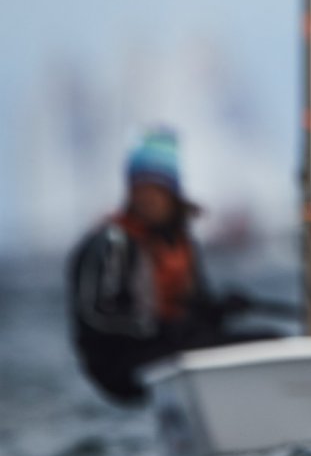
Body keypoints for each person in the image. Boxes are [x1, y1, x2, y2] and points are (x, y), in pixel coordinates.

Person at [67, 127, 270, 405]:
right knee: (244, 348)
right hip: (123, 360)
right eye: (140, 189)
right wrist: (154, 326)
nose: (147, 197)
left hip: (169, 347)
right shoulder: (109, 243)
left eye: (156, 189)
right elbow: (94, 314)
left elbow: (194, 308)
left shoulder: (181, 241)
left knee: (269, 343)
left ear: (172, 193)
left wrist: (220, 310)